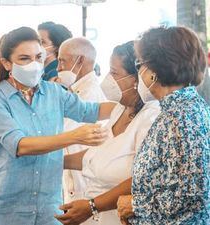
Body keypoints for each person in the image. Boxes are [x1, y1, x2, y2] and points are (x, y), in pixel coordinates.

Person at [0, 27, 119, 225]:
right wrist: (74, 136)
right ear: (6, 63)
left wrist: (131, 106)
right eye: (24, 58)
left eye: (39, 57)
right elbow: (20, 145)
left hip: (47, 210)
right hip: (3, 209)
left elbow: (91, 110)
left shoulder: (54, 92)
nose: (34, 64)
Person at [55, 41, 160, 225]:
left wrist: (92, 206)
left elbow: (143, 178)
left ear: (137, 79)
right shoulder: (120, 108)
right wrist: (56, 163)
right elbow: (98, 154)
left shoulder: (151, 118)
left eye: (114, 73)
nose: (107, 79)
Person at [117, 26, 210, 224]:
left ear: (154, 72)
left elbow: (192, 193)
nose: (138, 74)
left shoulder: (182, 116)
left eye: (139, 65)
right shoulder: (177, 110)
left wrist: (135, 205)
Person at [55, 37, 107, 203]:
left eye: (62, 61)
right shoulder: (74, 92)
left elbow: (62, 131)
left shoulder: (89, 95)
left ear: (81, 60)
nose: (58, 68)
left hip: (84, 185)